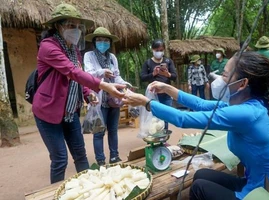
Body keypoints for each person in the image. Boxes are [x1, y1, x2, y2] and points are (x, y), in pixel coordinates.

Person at [123, 51, 269, 200]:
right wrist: (168, 89)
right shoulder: (247, 107)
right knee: (201, 175)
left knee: (199, 187)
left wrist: (146, 103)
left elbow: (183, 119)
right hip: (255, 184)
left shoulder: (246, 114)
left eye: (225, 74)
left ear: (243, 83)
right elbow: (200, 104)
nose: (219, 79)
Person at [33, 3, 125, 184]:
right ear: (57, 27)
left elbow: (76, 78)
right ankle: (55, 194)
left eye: (78, 26)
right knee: (60, 160)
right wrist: (104, 86)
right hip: (48, 112)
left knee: (81, 156)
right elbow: (72, 72)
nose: (75, 30)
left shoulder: (74, 50)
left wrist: (87, 92)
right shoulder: (48, 47)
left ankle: (88, 190)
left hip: (70, 112)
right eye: (70, 26)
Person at [84, 27, 130, 166]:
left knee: (113, 130)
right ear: (94, 41)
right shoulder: (89, 56)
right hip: (98, 98)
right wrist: (102, 72)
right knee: (98, 132)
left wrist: (124, 83)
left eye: (105, 40)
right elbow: (88, 75)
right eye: (99, 40)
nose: (102, 42)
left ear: (110, 42)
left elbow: (117, 76)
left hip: (113, 98)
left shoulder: (112, 57)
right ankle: (100, 160)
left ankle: (114, 156)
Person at [140, 39, 177, 130]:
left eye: (161, 50)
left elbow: (174, 76)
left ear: (164, 50)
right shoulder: (148, 63)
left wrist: (167, 74)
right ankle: (157, 139)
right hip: (153, 95)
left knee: (166, 117)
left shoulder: (168, 61)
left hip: (167, 95)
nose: (159, 52)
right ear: (152, 50)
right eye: (157, 50)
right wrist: (153, 74)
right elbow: (142, 77)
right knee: (154, 119)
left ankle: (164, 139)